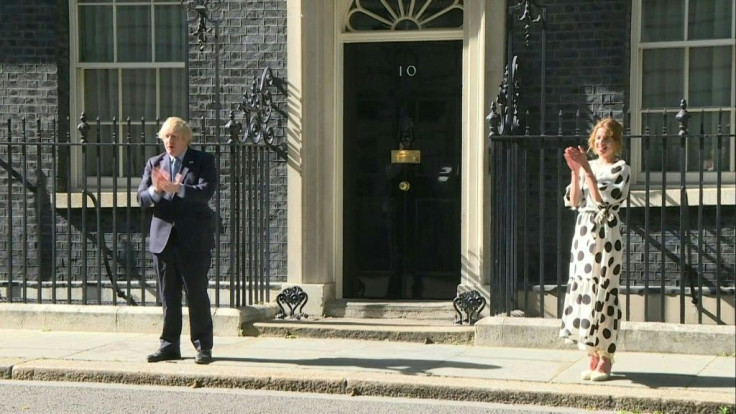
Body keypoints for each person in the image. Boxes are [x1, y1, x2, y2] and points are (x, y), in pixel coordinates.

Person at [137, 117, 218, 364]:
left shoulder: (202, 161)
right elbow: (141, 197)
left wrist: (177, 188)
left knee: (196, 293)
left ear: (185, 139)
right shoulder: (155, 163)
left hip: (193, 238)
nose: (169, 142)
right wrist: (157, 191)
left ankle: (203, 345)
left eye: (174, 137)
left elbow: (206, 191)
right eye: (165, 137)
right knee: (168, 295)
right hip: (163, 238)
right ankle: (169, 345)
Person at [559, 118, 630, 381]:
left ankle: (606, 357)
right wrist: (574, 171)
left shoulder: (621, 169)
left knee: (604, 291)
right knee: (585, 289)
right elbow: (575, 201)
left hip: (606, 233)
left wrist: (586, 170)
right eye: (599, 138)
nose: (602, 143)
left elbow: (603, 202)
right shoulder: (591, 166)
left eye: (607, 139)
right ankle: (591, 353)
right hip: (584, 232)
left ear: (617, 142)